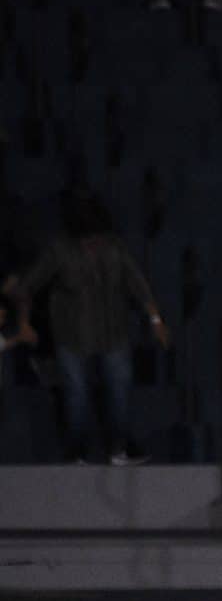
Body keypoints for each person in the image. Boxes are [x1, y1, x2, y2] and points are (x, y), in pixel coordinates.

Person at [9, 188, 168, 464]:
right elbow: (26, 288)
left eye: (98, 237)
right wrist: (24, 323)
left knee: (118, 388)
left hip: (113, 333)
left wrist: (155, 320)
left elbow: (138, 284)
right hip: (72, 336)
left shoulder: (114, 247)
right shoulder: (58, 251)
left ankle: (117, 448)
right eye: (90, 239)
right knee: (76, 396)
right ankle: (76, 453)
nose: (95, 243)